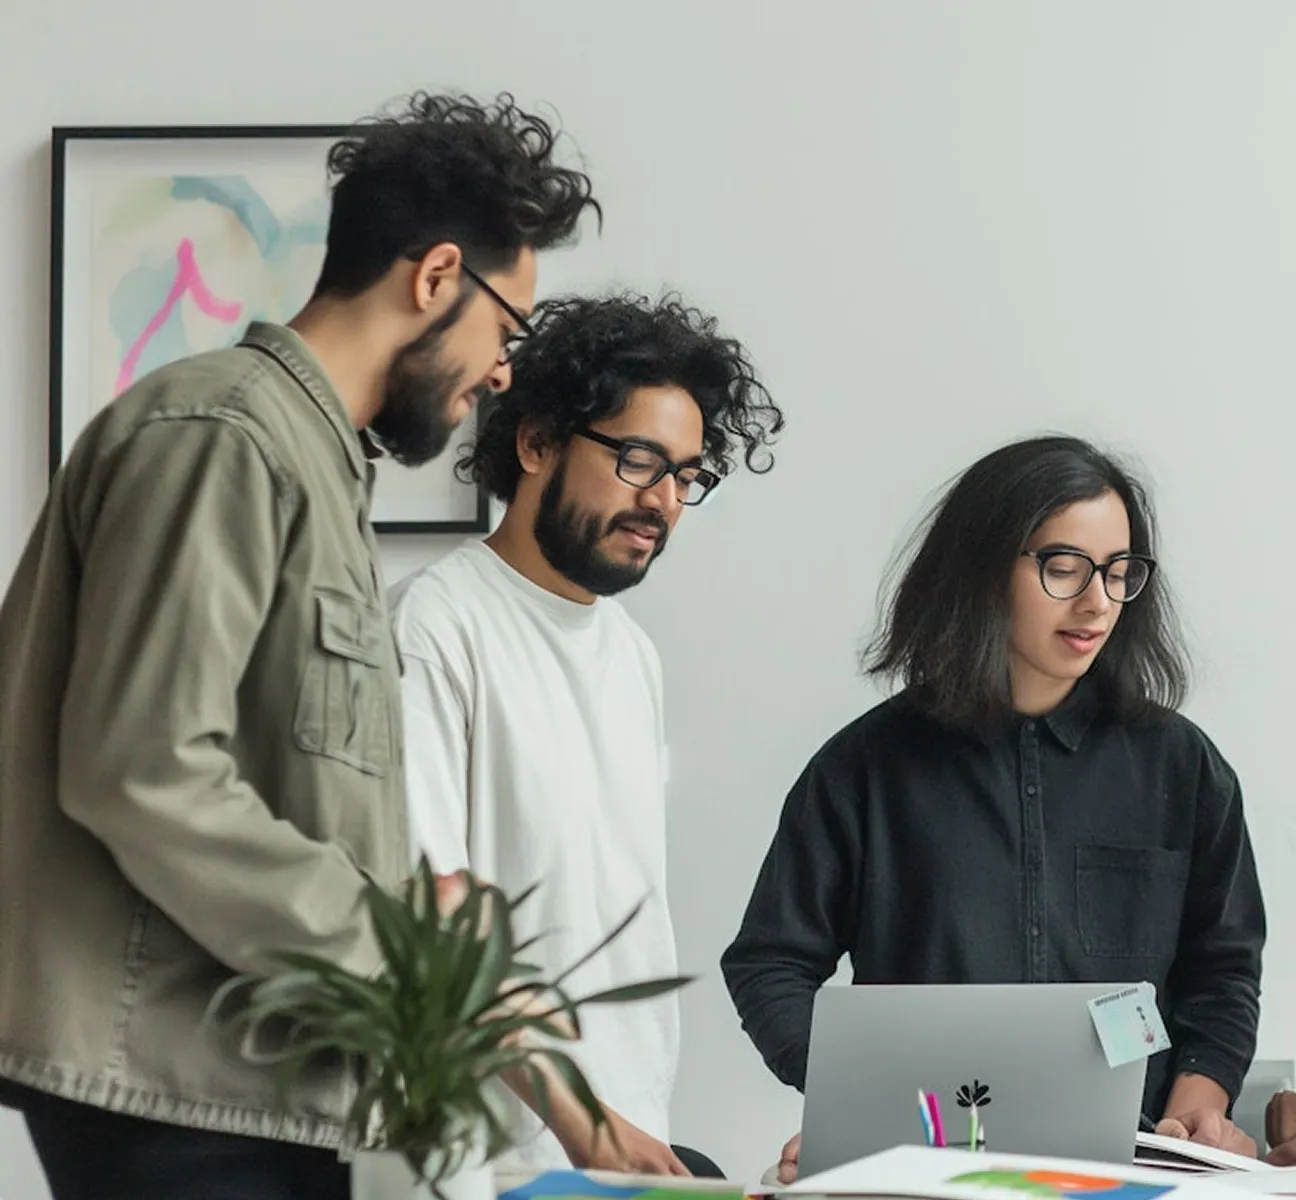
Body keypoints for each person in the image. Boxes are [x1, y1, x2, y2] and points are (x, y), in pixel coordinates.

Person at [0, 91, 599, 1200]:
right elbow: (143, 770)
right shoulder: (222, 435)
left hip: (253, 1084)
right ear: (437, 278)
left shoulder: (310, 461)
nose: (502, 372)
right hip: (171, 1084)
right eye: (507, 330)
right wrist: (393, 946)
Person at [719, 435, 1266, 1181]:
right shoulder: (866, 768)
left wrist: (1199, 1105)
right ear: (981, 567)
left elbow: (1223, 966)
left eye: (1118, 572)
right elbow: (770, 962)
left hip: (1134, 1167)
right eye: (1064, 567)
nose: (1097, 601)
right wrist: (862, 1101)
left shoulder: (1182, 766)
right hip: (923, 1166)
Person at [388, 294, 784, 1177]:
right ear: (536, 443)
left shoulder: (632, 654)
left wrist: (622, 1127)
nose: (664, 502)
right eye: (640, 461)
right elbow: (425, 919)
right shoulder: (434, 625)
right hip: (478, 1161)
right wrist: (585, 1122)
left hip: (623, 1147)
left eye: (687, 476)